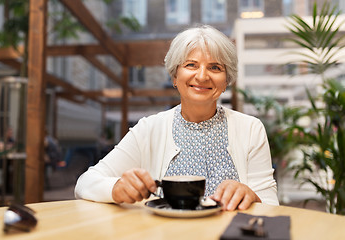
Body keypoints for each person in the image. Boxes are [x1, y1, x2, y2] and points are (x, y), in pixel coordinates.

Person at [75, 25, 279, 210]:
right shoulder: (148, 129)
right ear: (175, 76)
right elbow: (85, 183)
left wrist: (252, 195)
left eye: (215, 67)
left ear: (226, 81)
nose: (202, 76)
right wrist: (116, 187)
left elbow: (271, 204)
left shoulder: (251, 128)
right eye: (191, 65)